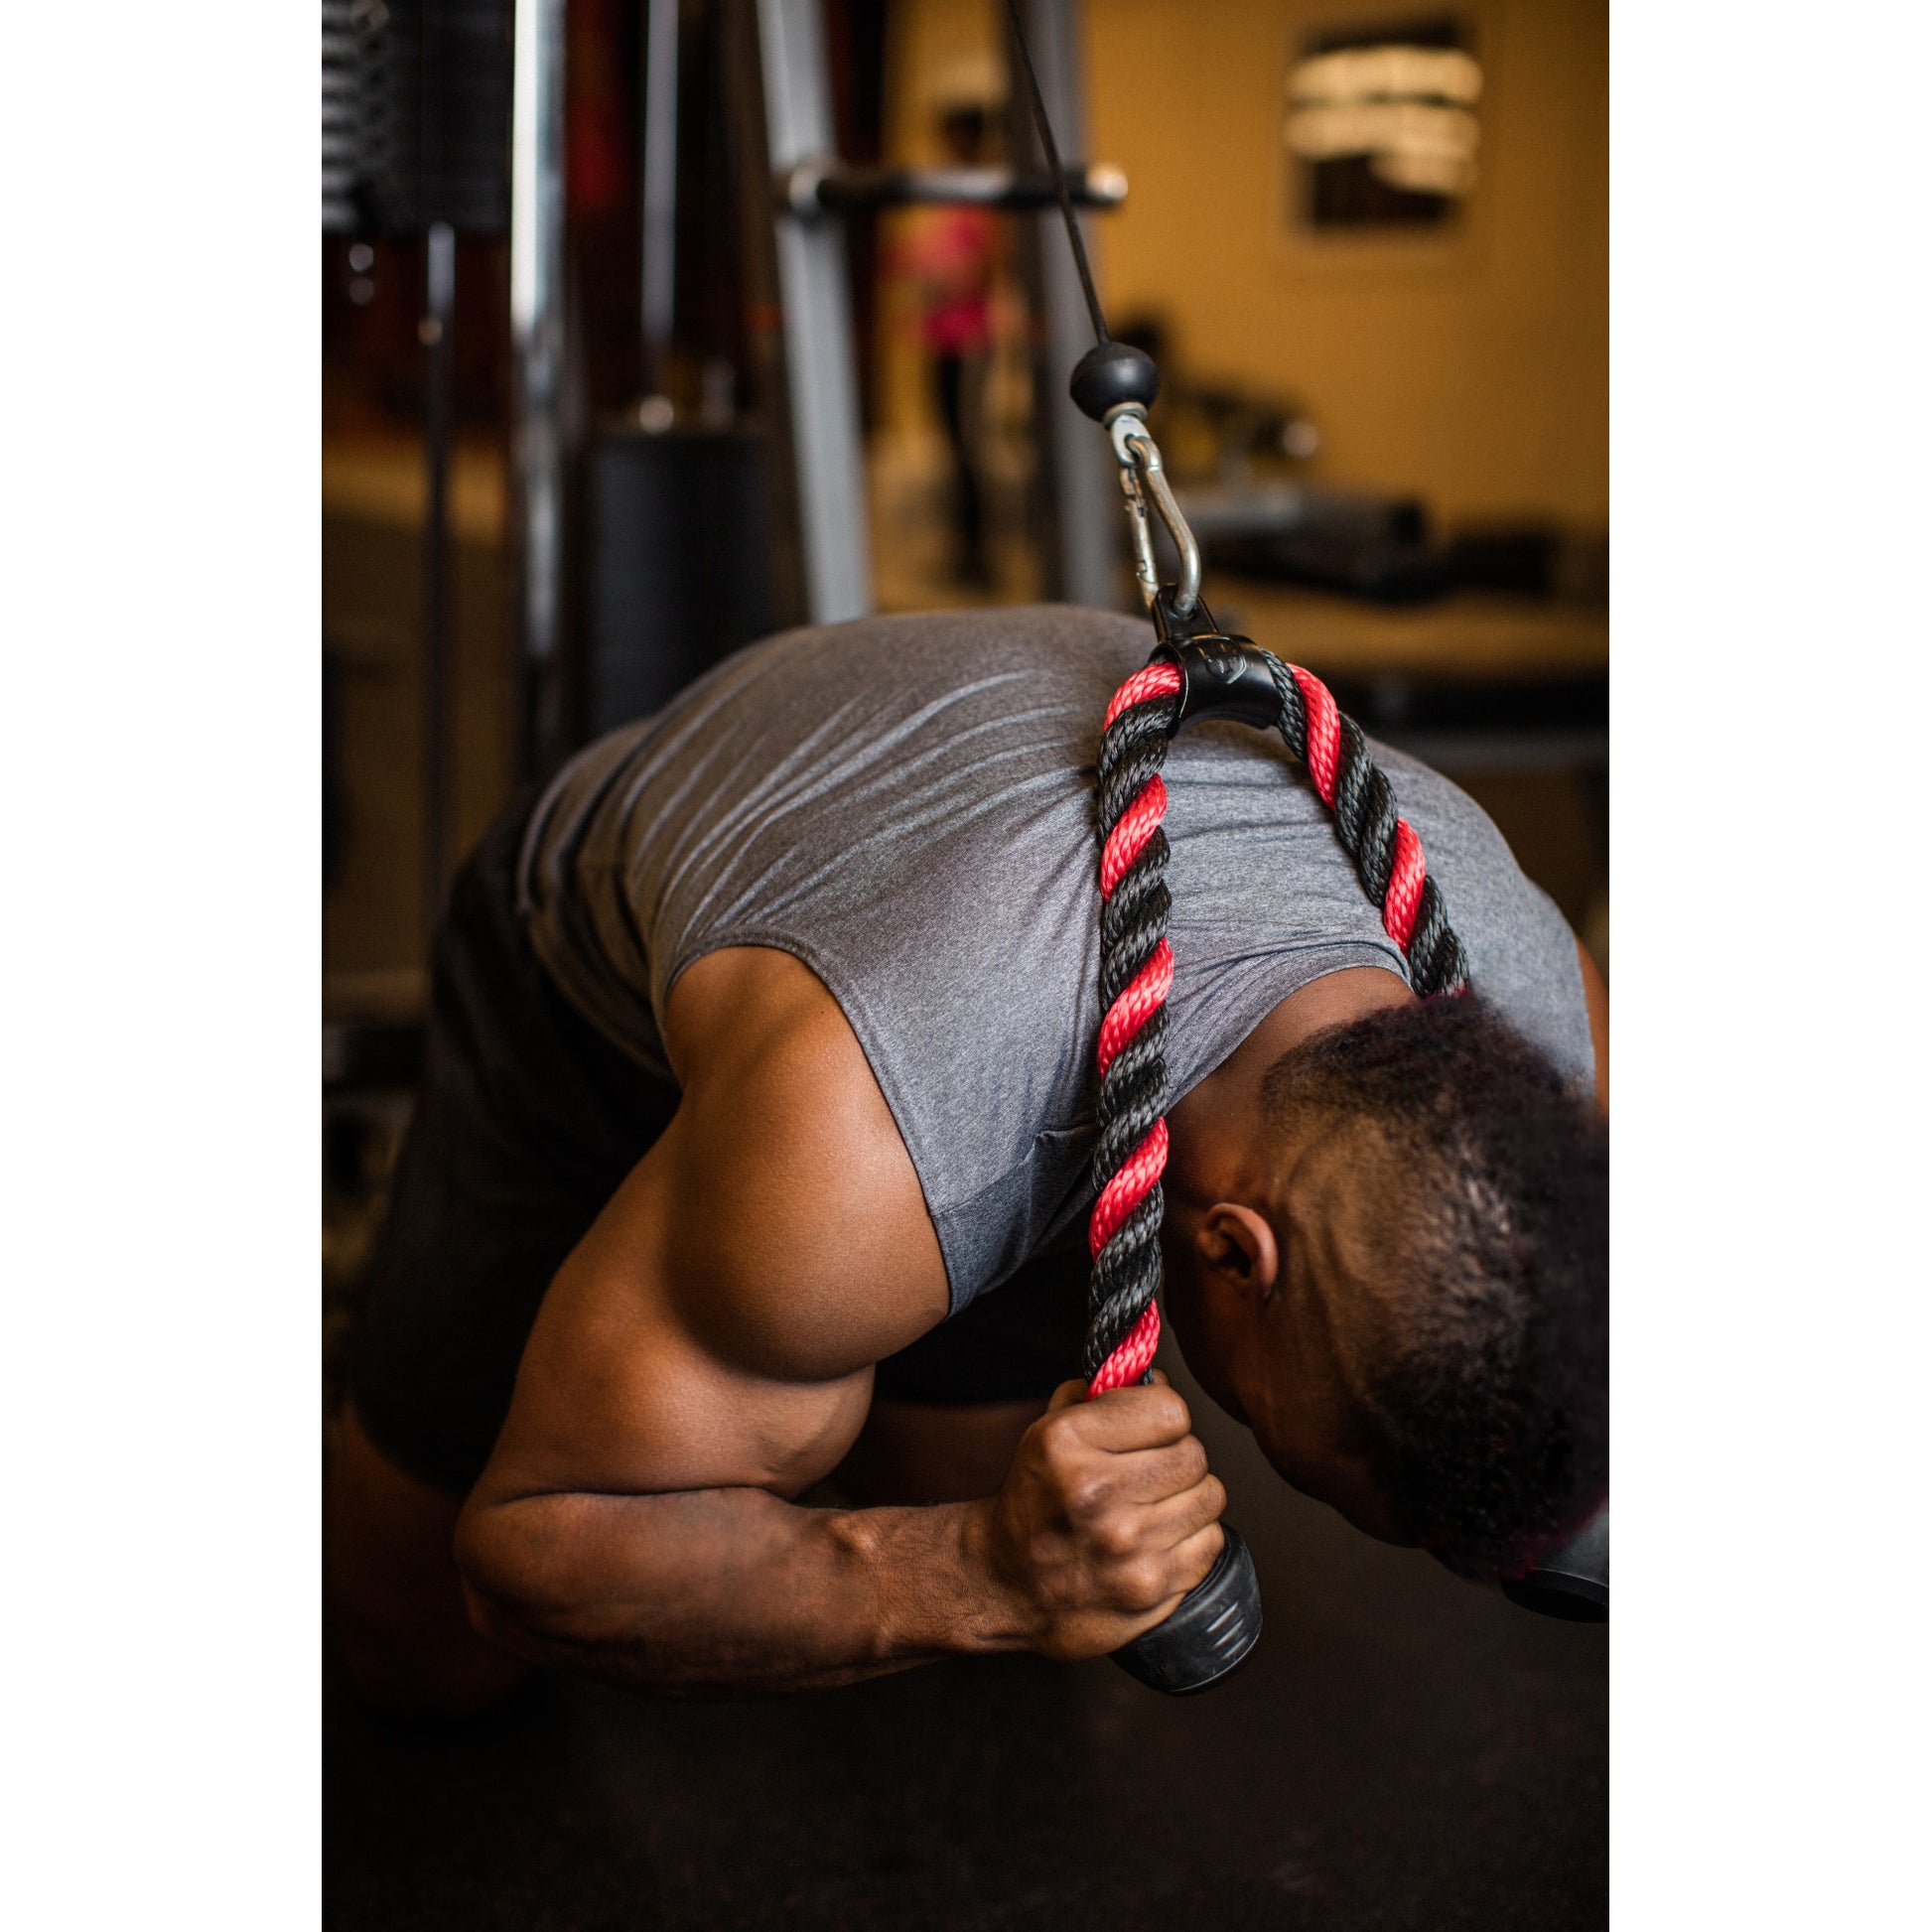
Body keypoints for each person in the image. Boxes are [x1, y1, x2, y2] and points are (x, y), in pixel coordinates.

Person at [325, 604, 1608, 1713]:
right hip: (616, 977)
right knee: (423, 1650)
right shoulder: (858, 1156)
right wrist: (980, 1574)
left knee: (1021, 1531)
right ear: (1233, 1249)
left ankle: (781, 1382)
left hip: (994, 994)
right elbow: (534, 1551)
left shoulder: (1558, 1023)